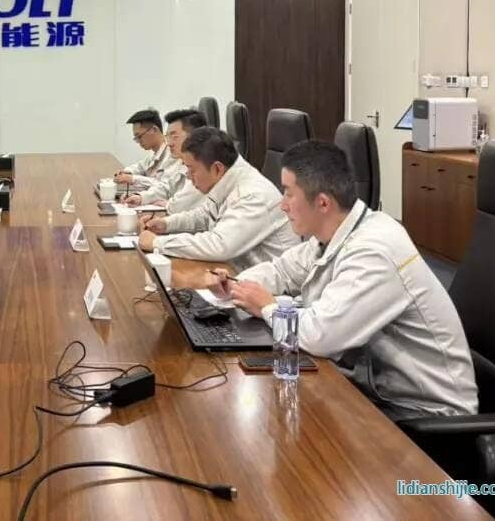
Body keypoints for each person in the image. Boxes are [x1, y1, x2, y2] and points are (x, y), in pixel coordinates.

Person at [201, 140, 477, 419]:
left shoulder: (375, 250)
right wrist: (237, 284)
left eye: (288, 194)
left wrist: (267, 307)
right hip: (373, 388)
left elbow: (320, 337)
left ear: (323, 202)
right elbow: (282, 270)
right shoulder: (335, 232)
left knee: (279, 421)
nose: (282, 205)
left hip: (423, 413)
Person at [138, 127, 299, 270]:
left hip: (270, 287)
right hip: (236, 272)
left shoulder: (252, 195)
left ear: (217, 168)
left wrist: (157, 243)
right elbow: (204, 215)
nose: (188, 176)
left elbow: (220, 245)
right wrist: (165, 224)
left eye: (192, 170)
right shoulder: (227, 179)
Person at [125, 109, 206, 215]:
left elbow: (181, 204)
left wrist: (169, 204)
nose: (169, 143)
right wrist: (141, 197)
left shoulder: (203, 168)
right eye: (168, 136)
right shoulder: (183, 162)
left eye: (175, 137)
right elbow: (167, 187)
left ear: (194, 136)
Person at [114, 109, 175, 193]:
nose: (138, 142)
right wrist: (126, 172)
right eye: (136, 138)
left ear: (154, 130)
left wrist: (133, 179)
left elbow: (164, 186)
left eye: (139, 136)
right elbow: (140, 167)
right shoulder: (154, 152)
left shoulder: (173, 154)